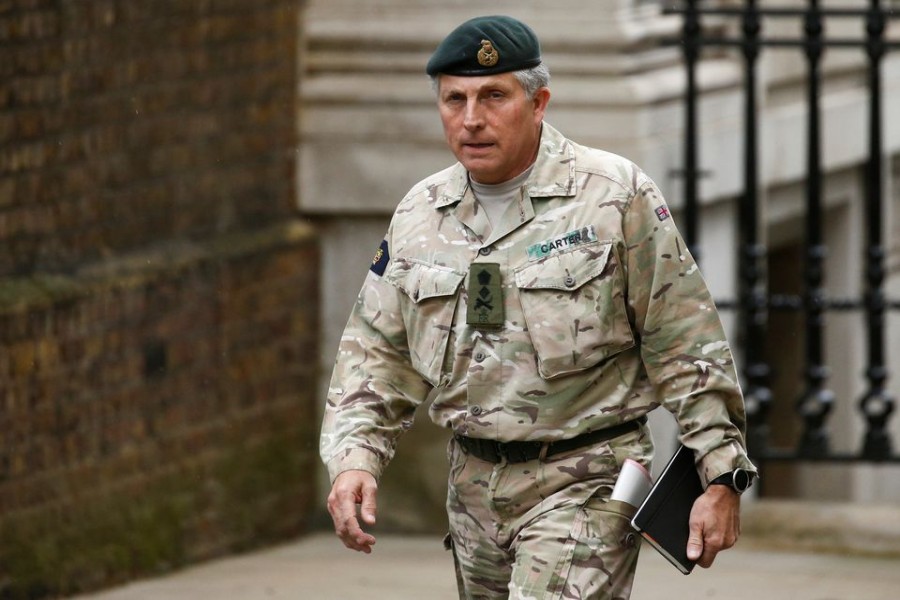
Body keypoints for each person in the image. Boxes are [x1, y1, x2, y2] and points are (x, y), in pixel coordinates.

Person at [320, 14, 757, 600]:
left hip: (585, 481)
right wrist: (354, 460)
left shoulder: (613, 196)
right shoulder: (420, 214)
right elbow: (376, 354)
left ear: (538, 103)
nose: (471, 118)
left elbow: (683, 339)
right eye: (454, 100)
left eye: (493, 96)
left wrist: (721, 472)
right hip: (471, 491)